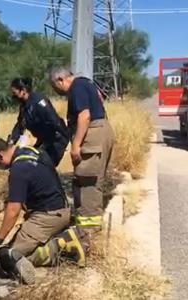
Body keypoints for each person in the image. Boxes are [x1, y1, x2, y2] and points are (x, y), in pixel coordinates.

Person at [0, 138, 87, 284]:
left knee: (6, 256)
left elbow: (13, 210)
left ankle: (62, 247)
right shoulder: (33, 151)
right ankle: (58, 235)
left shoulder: (18, 169)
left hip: (47, 216)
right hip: (62, 209)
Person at [49, 66, 115, 233]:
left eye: (55, 87)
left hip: (92, 134)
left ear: (60, 80)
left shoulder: (76, 87)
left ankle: (88, 232)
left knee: (87, 182)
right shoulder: (86, 83)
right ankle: (89, 225)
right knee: (91, 180)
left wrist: (76, 145)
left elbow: (84, 116)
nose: (57, 91)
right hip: (102, 130)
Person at [9, 77, 69, 166]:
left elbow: (54, 121)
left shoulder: (38, 101)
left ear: (23, 90)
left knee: (44, 166)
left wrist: (69, 138)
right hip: (44, 140)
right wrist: (11, 141)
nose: (13, 97)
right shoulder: (24, 107)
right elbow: (20, 125)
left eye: (15, 93)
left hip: (56, 139)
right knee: (31, 162)